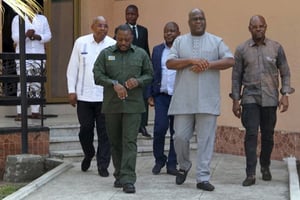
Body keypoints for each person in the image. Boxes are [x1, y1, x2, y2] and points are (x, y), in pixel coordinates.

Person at [166, 8, 234, 191]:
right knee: (179, 136)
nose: (198, 21)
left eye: (201, 18)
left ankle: (203, 177)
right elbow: (169, 63)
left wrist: (208, 64)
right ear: (189, 22)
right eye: (195, 19)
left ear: (205, 20)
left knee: (206, 140)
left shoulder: (216, 41)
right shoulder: (180, 41)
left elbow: (230, 60)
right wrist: (190, 61)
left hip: (207, 100)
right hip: (183, 100)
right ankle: (184, 165)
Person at [230, 15, 294, 187]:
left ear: (266, 27)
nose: (258, 29)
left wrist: (285, 94)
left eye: (261, 26)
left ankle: (265, 165)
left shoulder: (276, 48)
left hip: (270, 98)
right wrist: (236, 100)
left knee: (268, 136)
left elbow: (285, 72)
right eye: (255, 26)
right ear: (249, 28)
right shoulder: (242, 49)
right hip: (250, 97)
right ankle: (250, 173)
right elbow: (236, 77)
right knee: (250, 134)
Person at [93, 24, 153, 193]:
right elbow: (97, 75)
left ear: (132, 38)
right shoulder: (107, 54)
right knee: (115, 142)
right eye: (120, 39)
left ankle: (128, 179)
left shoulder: (141, 54)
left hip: (133, 106)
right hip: (112, 105)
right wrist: (113, 84)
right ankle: (119, 174)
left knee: (129, 142)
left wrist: (138, 81)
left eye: (127, 39)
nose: (123, 42)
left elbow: (150, 74)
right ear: (115, 37)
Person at [66, 16, 115, 177]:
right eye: (100, 25)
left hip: (105, 97)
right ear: (92, 27)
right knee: (85, 129)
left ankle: (103, 165)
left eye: (106, 26)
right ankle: (88, 154)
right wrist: (71, 91)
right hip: (84, 96)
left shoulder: (112, 45)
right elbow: (73, 68)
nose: (103, 28)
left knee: (104, 133)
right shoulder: (81, 42)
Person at [147, 22, 180, 176]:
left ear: (178, 33)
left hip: (179, 97)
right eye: (166, 31)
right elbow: (151, 73)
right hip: (161, 96)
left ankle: (172, 163)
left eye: (172, 31)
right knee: (159, 129)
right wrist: (150, 95)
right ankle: (159, 160)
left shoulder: (182, 51)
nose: (169, 34)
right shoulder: (157, 50)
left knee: (176, 132)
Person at [11, 6, 52, 121]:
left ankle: (35, 112)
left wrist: (38, 37)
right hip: (23, 56)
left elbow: (49, 35)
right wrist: (26, 35)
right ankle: (20, 113)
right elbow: (14, 38)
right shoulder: (17, 19)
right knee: (23, 84)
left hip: (38, 55)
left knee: (36, 84)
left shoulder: (42, 19)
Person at [124, 4, 151, 137]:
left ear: (137, 15)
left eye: (133, 14)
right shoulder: (120, 30)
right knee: (129, 99)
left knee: (143, 98)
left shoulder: (143, 30)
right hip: (126, 70)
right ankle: (131, 126)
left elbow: (146, 49)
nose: (130, 16)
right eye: (128, 14)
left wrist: (149, 67)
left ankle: (143, 126)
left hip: (141, 71)